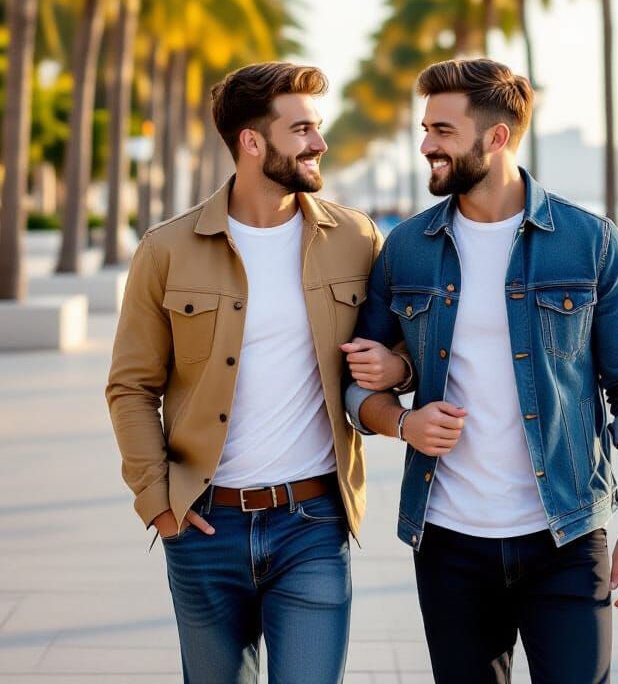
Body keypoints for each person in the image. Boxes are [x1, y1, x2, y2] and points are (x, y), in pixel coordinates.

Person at [342, 58, 618, 684]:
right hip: (449, 541)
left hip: (567, 535)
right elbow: (356, 382)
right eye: (426, 129)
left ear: (495, 138)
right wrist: (401, 422)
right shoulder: (407, 249)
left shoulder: (591, 243)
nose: (426, 145)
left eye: (442, 130)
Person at [105, 62, 410, 684]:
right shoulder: (167, 250)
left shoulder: (355, 239)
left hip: (313, 525)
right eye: (301, 129)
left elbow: (401, 353)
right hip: (205, 526)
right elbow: (131, 386)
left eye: (317, 127)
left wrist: (397, 366)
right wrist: (157, 502)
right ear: (252, 141)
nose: (319, 143)